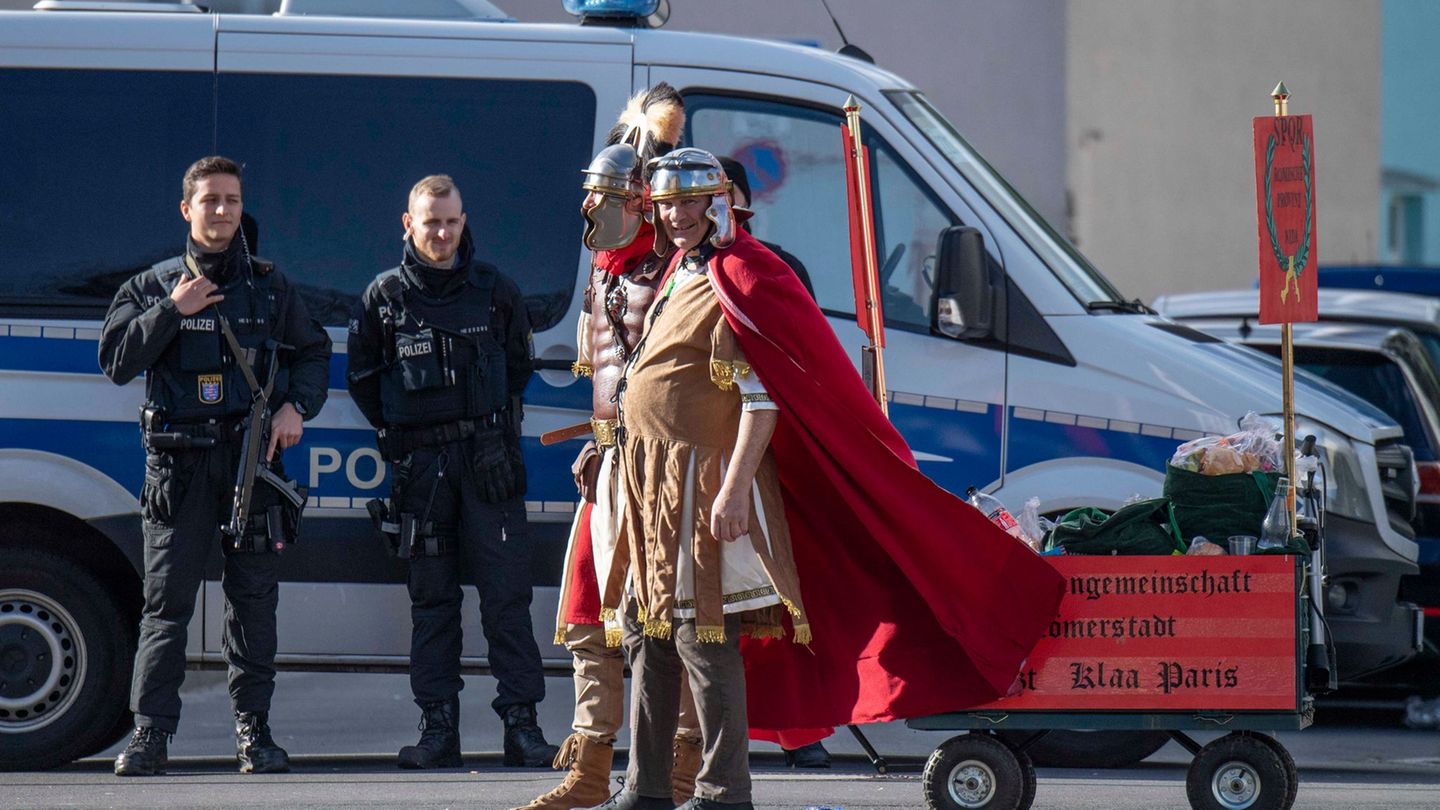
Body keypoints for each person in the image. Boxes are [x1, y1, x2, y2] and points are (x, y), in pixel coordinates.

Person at [587, 149, 1065, 810]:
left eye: (689, 201)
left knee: (706, 635)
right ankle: (643, 790)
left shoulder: (744, 274)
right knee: (649, 632)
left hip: (706, 483)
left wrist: (731, 493)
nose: (676, 215)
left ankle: (725, 792)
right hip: (650, 482)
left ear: (720, 202)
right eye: (666, 204)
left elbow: (763, 398)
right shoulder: (678, 269)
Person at [100, 155, 332, 776]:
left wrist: (295, 407)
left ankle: (254, 734)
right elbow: (115, 361)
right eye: (211, 200)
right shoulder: (152, 286)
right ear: (187, 209)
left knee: (253, 605)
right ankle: (150, 735)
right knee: (165, 607)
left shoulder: (269, 285)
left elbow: (314, 352)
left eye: (232, 199)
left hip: (250, 468)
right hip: (178, 470)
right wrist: (173, 310)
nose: (223, 210)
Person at [516, 85, 701, 810]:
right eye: (591, 197)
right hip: (614, 465)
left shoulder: (680, 272)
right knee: (589, 613)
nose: (591, 212)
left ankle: (678, 766)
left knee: (669, 616)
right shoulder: (605, 272)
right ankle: (590, 765)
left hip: (669, 469)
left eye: (606, 198)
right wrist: (599, 443)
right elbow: (611, 383)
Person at [346, 175, 558, 770]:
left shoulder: (496, 292)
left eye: (451, 220)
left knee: (506, 600)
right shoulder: (383, 297)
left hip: (489, 467)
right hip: (422, 472)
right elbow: (363, 380)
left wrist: (489, 432)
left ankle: (522, 726)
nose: (441, 232)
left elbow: (518, 367)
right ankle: (438, 730)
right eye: (430, 221)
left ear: (465, 222)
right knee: (432, 604)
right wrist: (409, 438)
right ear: (407, 224)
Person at [714, 157, 815, 302]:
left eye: (726, 192)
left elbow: (808, 323)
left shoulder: (783, 265)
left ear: (745, 201)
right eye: (708, 196)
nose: (718, 202)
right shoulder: (684, 265)